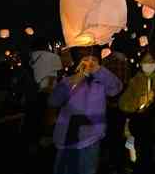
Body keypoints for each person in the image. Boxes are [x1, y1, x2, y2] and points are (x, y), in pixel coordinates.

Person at [49, 45, 123, 174]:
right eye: (86, 60)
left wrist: (99, 71)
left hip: (90, 139)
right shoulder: (69, 81)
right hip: (66, 138)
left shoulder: (101, 83)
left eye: (94, 61)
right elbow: (53, 101)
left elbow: (116, 88)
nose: (89, 63)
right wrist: (72, 81)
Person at [119, 51, 155, 174]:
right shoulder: (134, 81)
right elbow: (123, 104)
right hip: (140, 128)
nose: (148, 64)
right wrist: (138, 102)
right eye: (145, 62)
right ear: (140, 63)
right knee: (142, 160)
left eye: (151, 62)